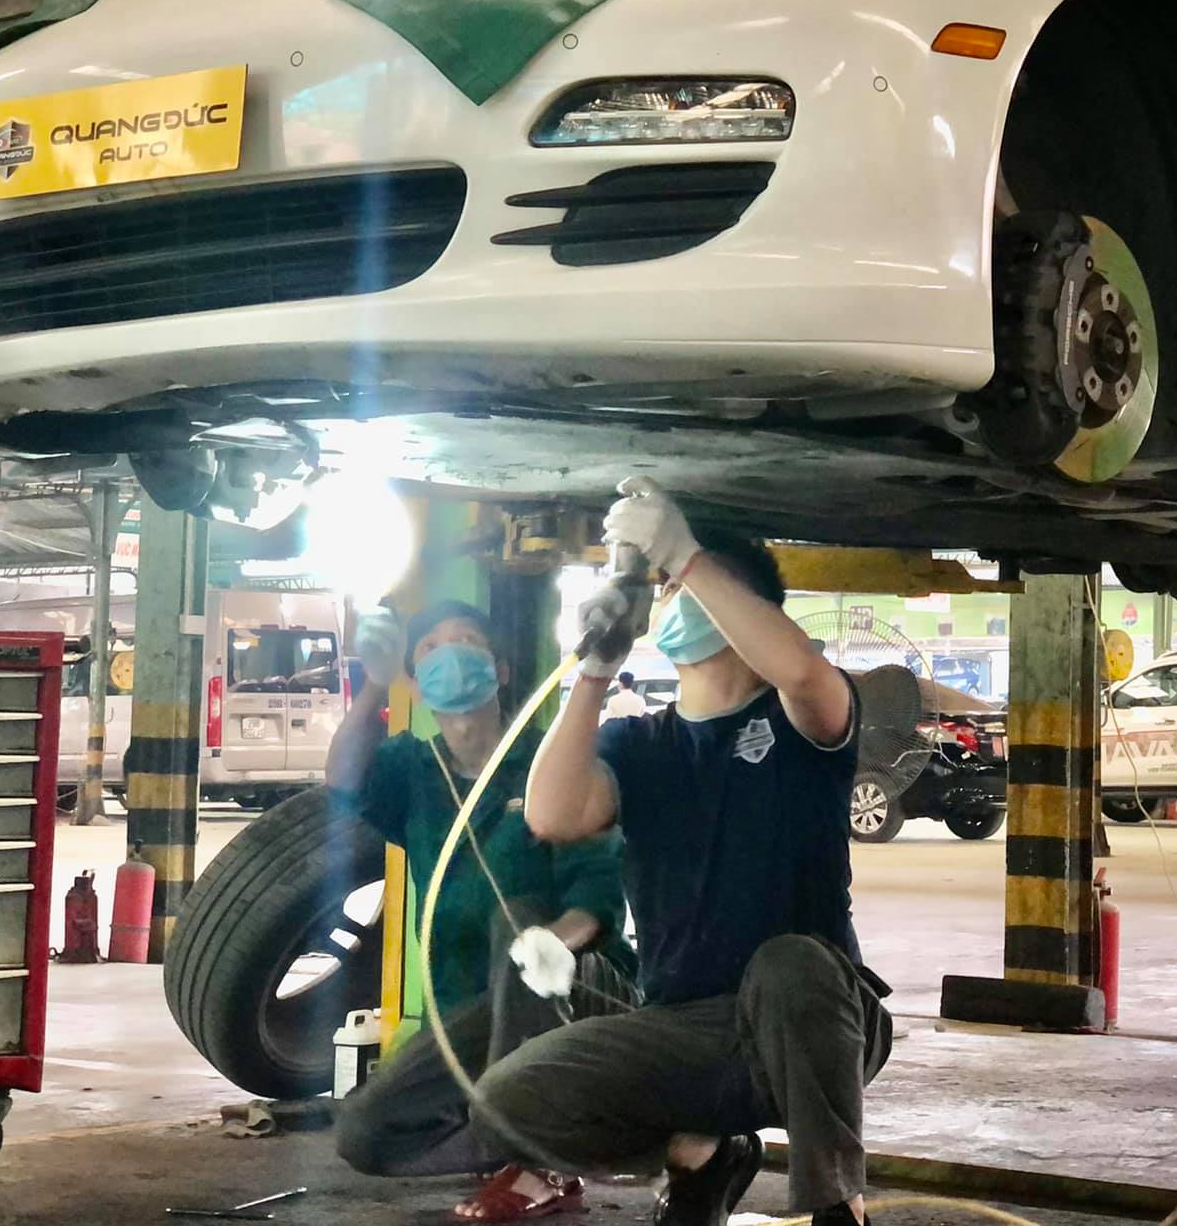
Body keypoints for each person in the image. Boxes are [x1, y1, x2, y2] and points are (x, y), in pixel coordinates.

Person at [480, 479, 891, 1226]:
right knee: (510, 1097)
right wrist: (595, 670)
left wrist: (684, 552)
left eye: (681, 585)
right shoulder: (638, 743)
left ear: (747, 607)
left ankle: (839, 1207)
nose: (669, 595)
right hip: (686, 1028)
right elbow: (552, 812)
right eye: (667, 586)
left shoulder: (801, 717)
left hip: (818, 1021)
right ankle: (699, 1154)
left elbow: (800, 670)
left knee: (788, 964)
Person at [329, 600, 639, 1223]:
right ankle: (524, 1145)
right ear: (416, 682)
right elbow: (343, 780)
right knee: (364, 1132)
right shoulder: (413, 770)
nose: (450, 653)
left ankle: (536, 1162)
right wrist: (374, 684)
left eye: (467, 640)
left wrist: (553, 942)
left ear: (499, 671)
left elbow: (597, 896)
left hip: (571, 993)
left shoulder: (552, 766)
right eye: (430, 648)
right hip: (467, 1016)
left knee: (517, 919)